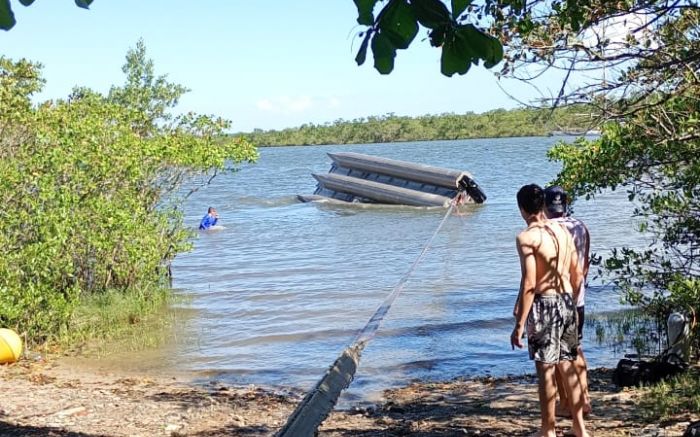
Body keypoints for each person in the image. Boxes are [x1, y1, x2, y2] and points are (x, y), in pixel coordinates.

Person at [511, 184, 589, 437]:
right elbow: (577, 273)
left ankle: (548, 430)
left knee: (545, 368)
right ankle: (580, 428)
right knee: (568, 364)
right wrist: (572, 300)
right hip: (567, 300)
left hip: (545, 303)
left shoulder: (527, 237)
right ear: (543, 204)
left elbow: (530, 283)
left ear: (522, 209)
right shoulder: (562, 231)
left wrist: (520, 323)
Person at [544, 186, 592, 418]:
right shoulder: (581, 226)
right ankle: (585, 401)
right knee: (576, 348)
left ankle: (567, 404)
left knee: (557, 357)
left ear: (545, 206)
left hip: (556, 298)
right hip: (578, 297)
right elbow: (584, 265)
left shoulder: (547, 229)